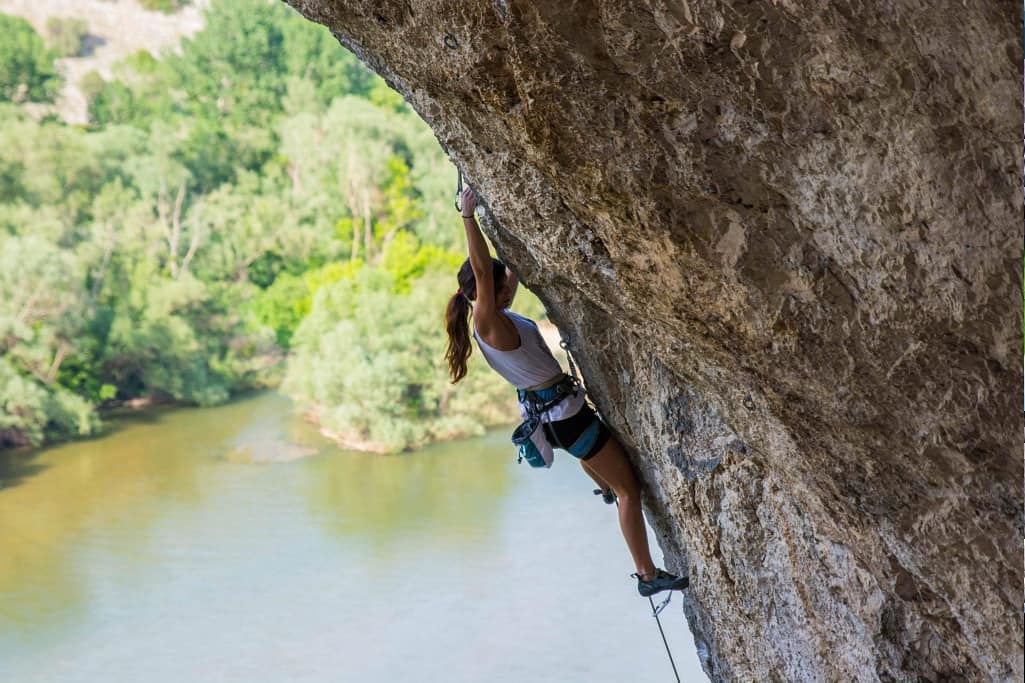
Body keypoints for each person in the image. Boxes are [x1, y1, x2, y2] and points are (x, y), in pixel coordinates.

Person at [444, 186, 689, 597]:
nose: (513, 284)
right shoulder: (489, 322)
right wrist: (469, 218)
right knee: (631, 491)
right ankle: (648, 575)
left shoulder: (497, 316)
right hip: (568, 419)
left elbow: (503, 273)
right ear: (488, 293)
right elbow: (486, 272)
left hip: (553, 417)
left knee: (601, 470)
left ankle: (604, 485)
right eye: (505, 284)